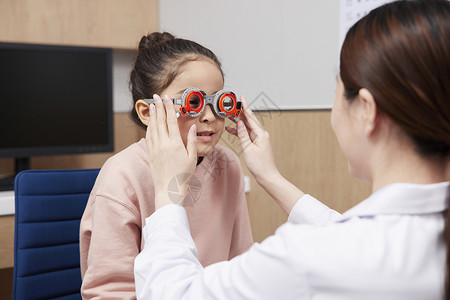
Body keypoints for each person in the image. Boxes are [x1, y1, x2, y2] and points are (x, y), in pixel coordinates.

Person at [134, 1, 450, 299]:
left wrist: (167, 196)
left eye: (337, 91)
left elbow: (174, 294)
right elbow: (342, 234)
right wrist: (272, 178)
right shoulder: (403, 239)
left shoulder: (311, 257)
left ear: (365, 110)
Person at [79, 32, 253, 299]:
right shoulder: (123, 176)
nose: (209, 116)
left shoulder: (227, 164)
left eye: (218, 101)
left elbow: (240, 265)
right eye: (193, 102)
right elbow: (108, 293)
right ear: (148, 112)